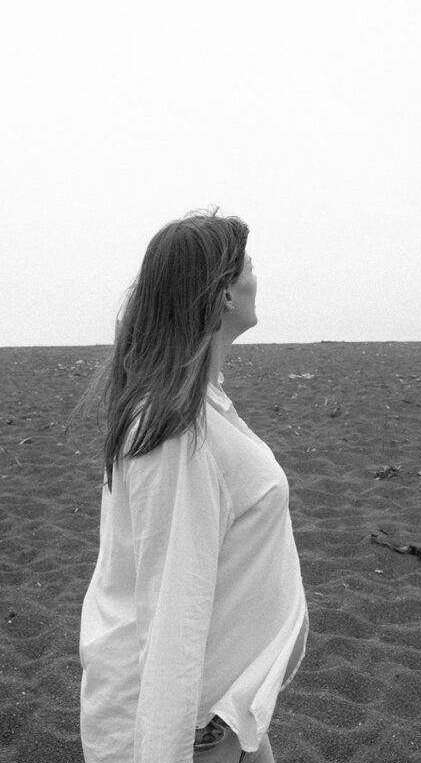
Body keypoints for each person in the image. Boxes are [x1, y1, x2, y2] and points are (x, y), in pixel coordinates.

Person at [79, 210, 308, 763]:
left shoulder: (200, 404)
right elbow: (170, 614)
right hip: (192, 728)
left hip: (229, 709)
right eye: (247, 266)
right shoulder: (178, 430)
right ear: (225, 294)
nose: (256, 277)